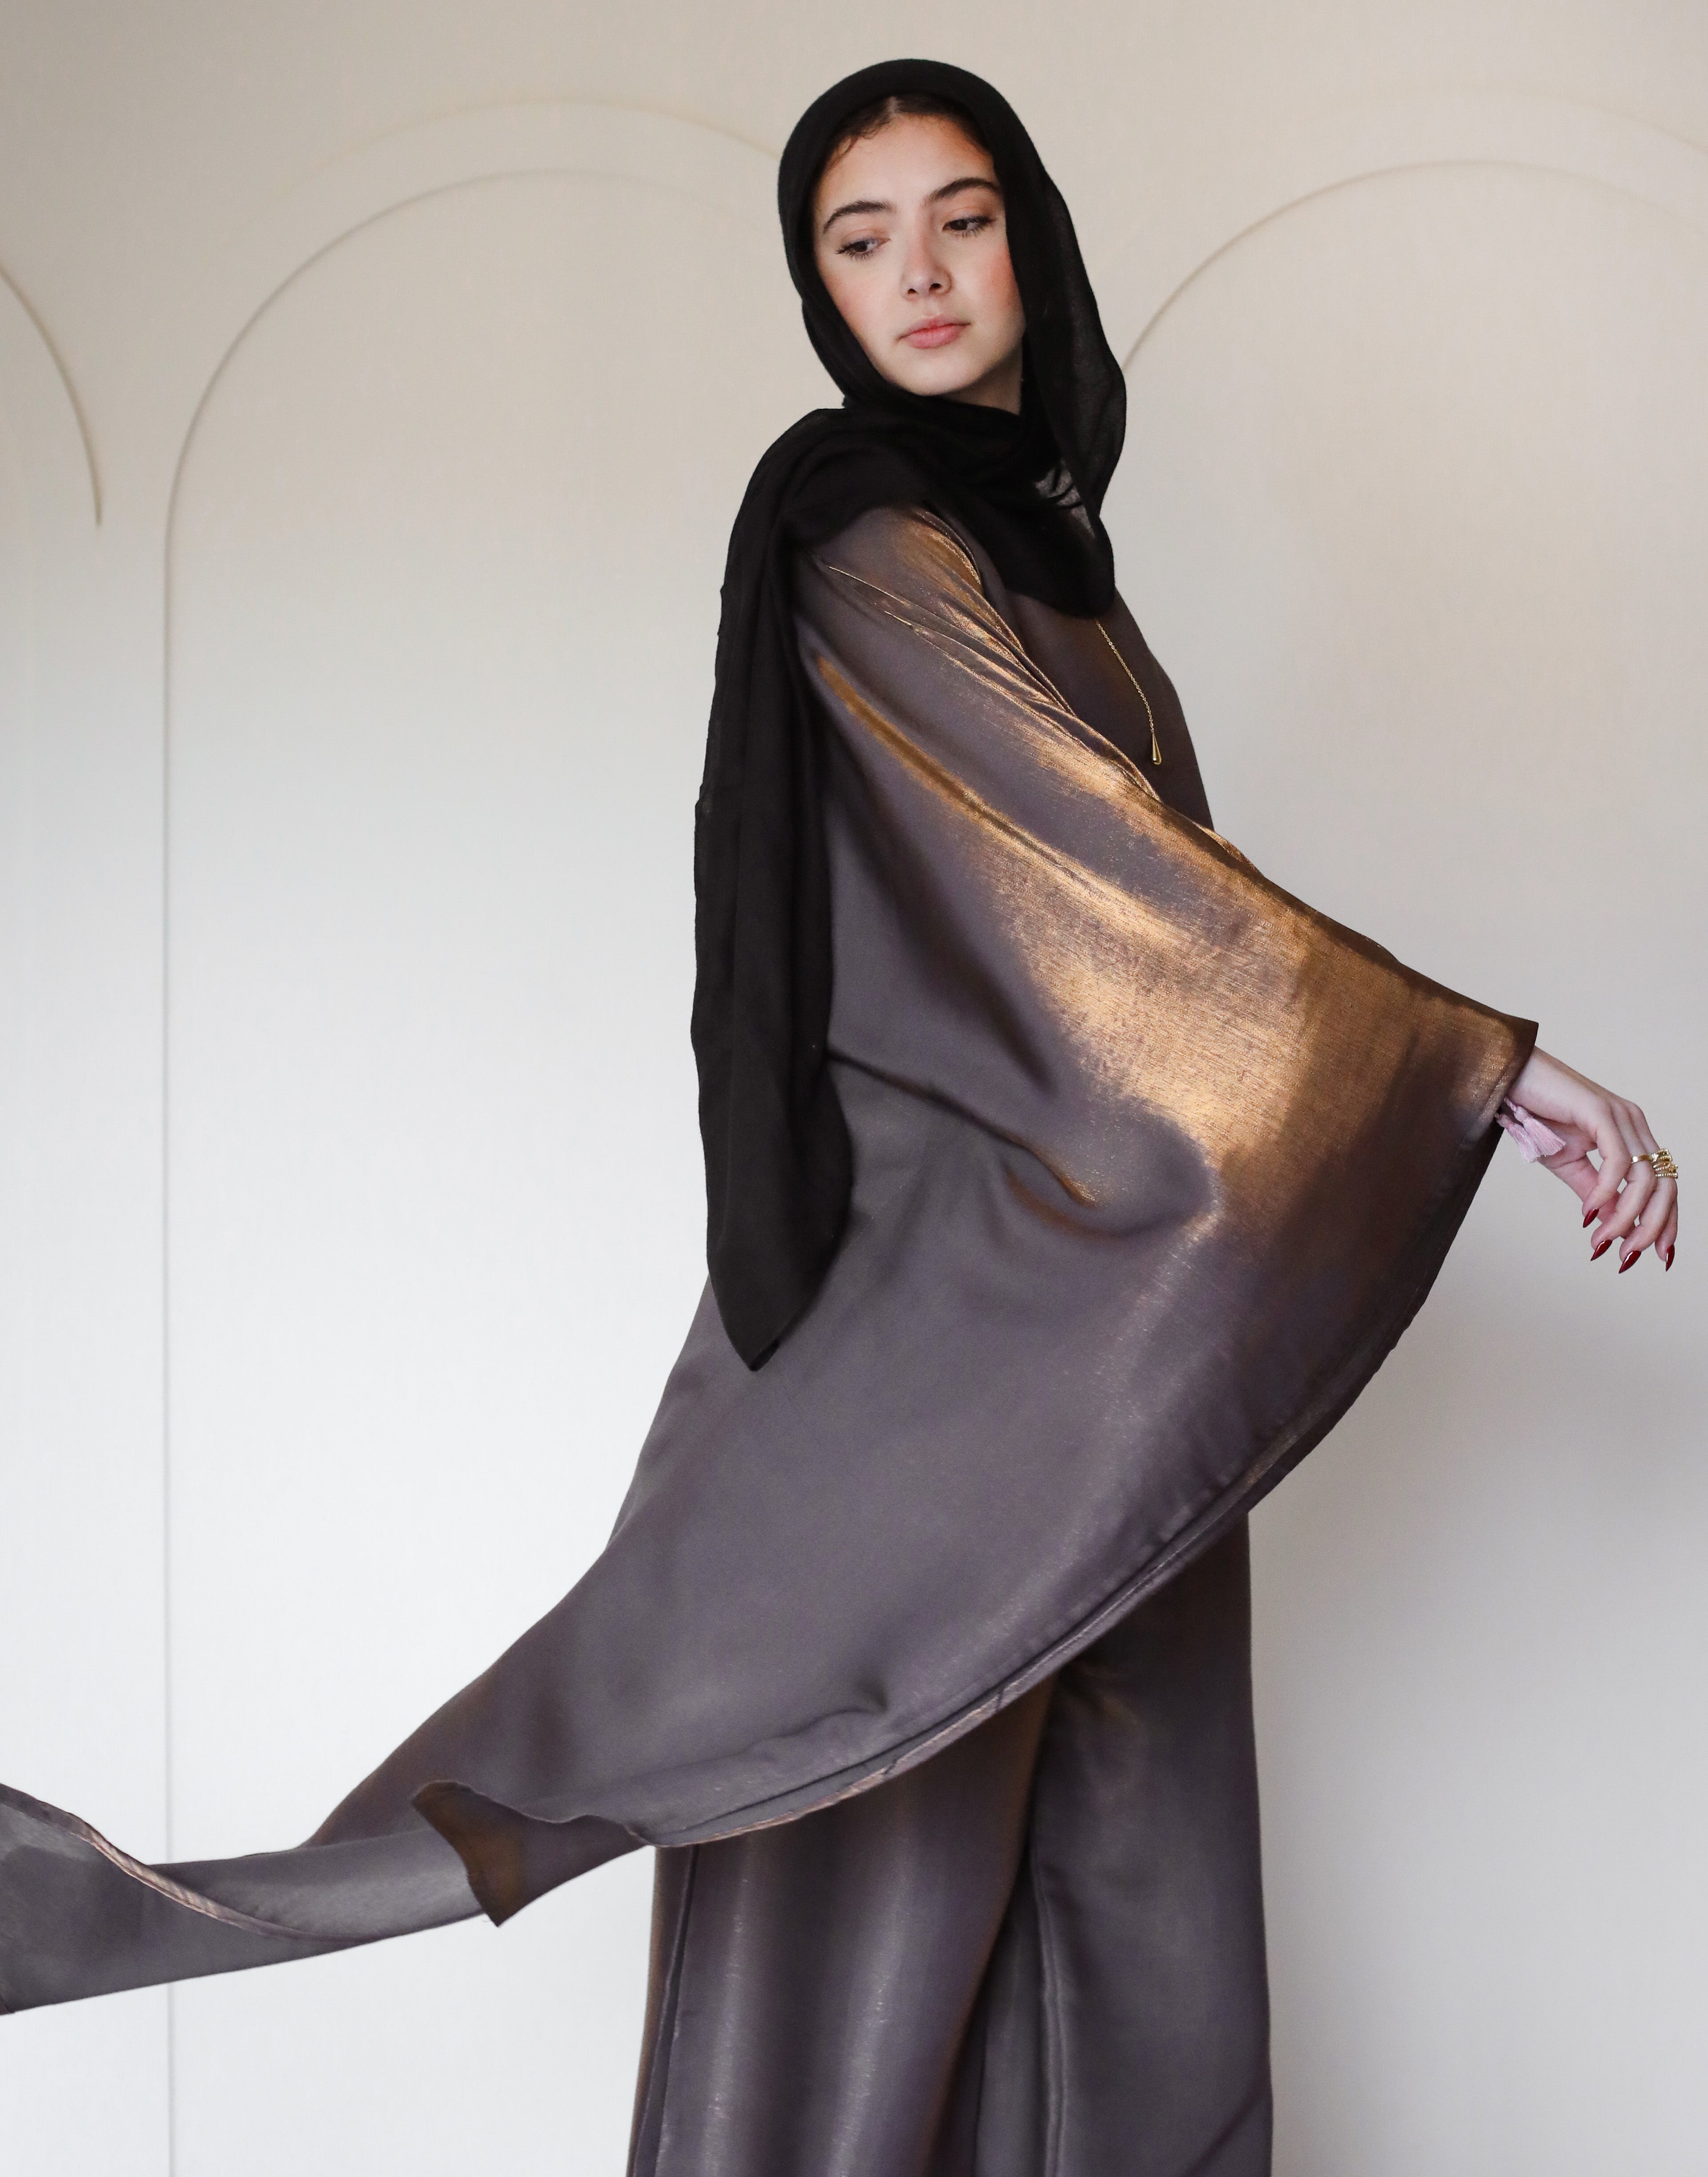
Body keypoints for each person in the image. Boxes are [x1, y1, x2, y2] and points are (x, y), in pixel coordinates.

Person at [0, 57, 1678, 2177]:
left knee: (1130, 1923)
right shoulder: (867, 535)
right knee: (851, 1952)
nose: (921, 274)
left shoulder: (1047, 557)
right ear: (818, 287)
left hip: (1088, 1341)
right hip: (931, 1357)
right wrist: (1485, 1069)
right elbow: (1121, 896)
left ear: (1029, 242)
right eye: (861, 239)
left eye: (960, 219)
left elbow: (1124, 941)